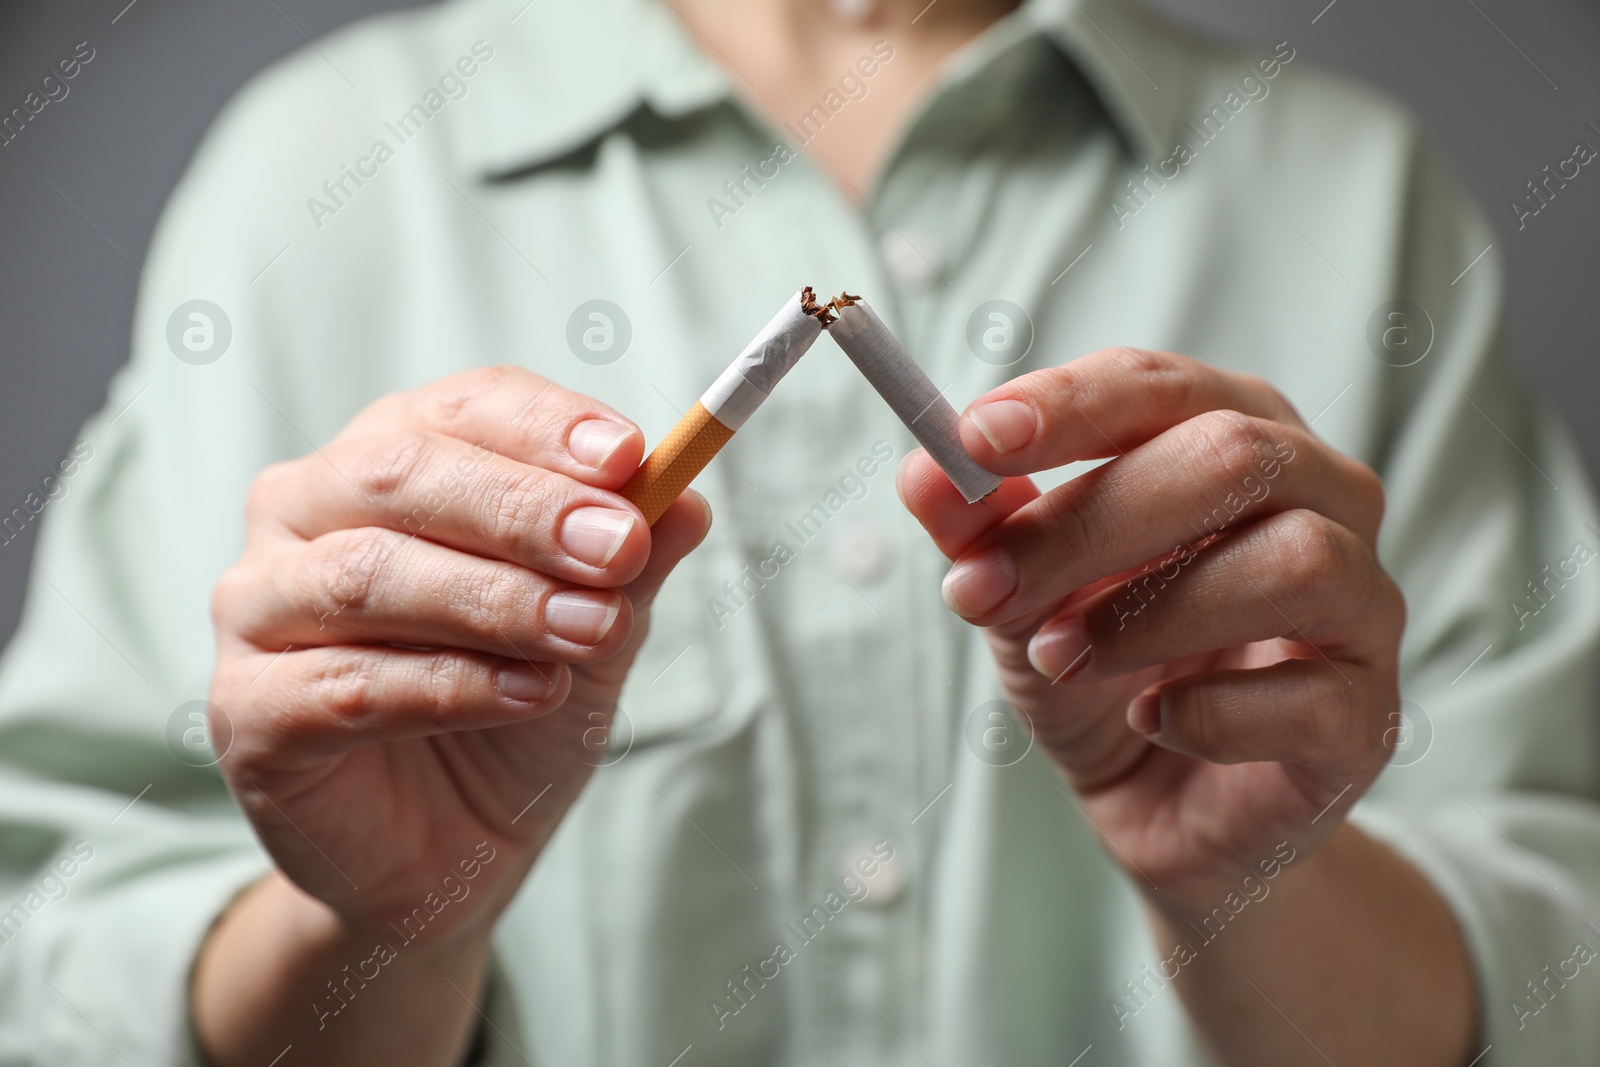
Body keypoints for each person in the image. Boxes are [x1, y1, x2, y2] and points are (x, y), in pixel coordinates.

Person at [1, 0, 1597, 1063]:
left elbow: (1556, 966)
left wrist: (1262, 883)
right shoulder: (310, 183)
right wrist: (375, 932)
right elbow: (56, 961)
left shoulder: (1356, 197)